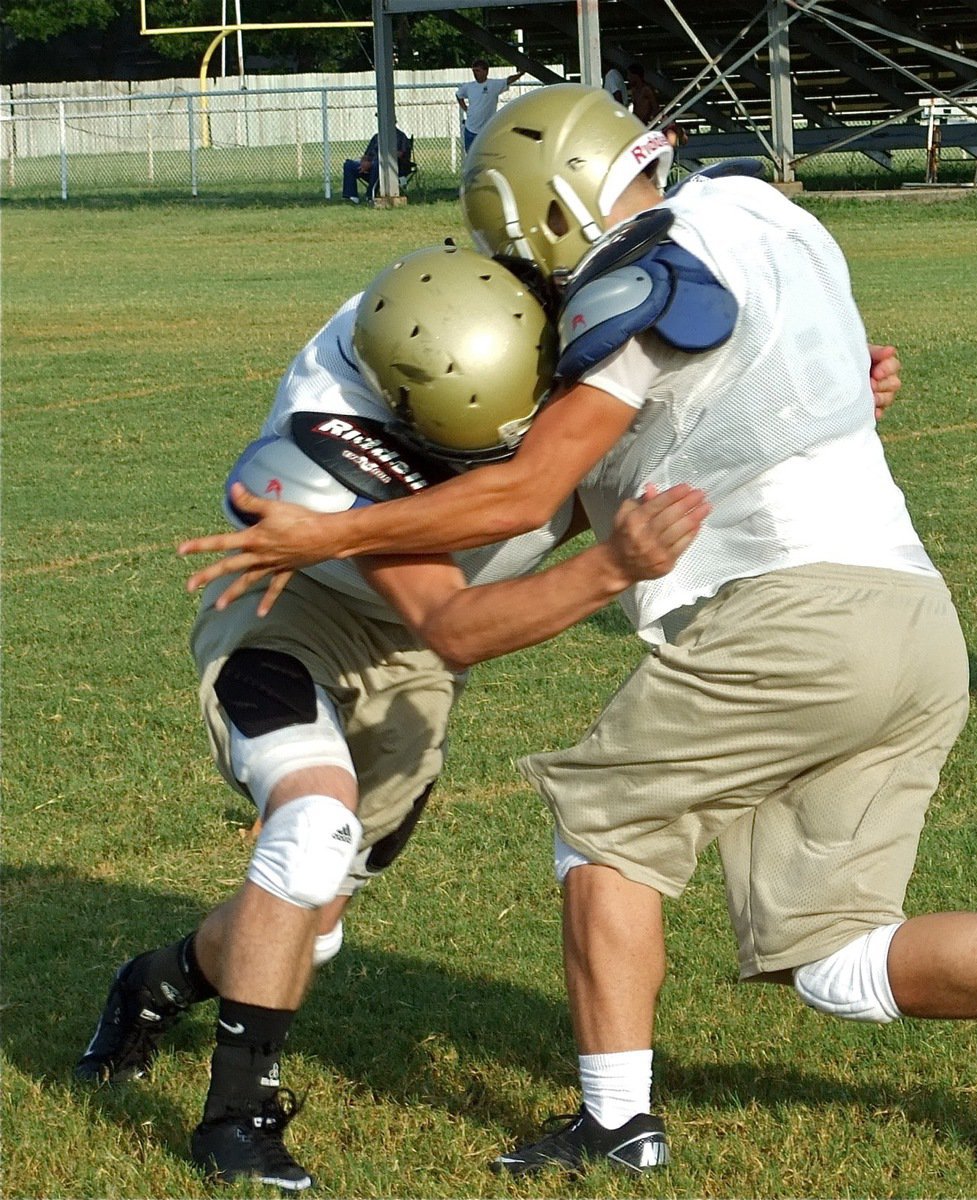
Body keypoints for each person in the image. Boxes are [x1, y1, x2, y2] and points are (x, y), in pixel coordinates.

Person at [177, 86, 977, 1179]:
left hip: (789, 619)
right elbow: (771, 382)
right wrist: (844, 395)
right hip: (917, 620)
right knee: (835, 955)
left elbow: (529, 493)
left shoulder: (639, 280)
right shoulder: (759, 209)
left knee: (602, 830)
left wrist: (339, 529)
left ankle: (617, 1125)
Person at [76, 243, 709, 1192]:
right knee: (310, 824)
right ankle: (235, 1124)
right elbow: (455, 626)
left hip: (409, 660)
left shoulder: (504, 325)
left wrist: (823, 394)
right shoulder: (325, 437)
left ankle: (157, 981)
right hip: (292, 615)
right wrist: (609, 567)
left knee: (313, 917)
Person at [456, 59, 523, 153]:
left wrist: (521, 73)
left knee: (488, 154)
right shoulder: (468, 87)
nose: (475, 74)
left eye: (478, 71)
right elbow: (459, 95)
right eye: (474, 71)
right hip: (471, 129)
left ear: (486, 71)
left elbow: (508, 80)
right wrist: (465, 108)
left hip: (487, 129)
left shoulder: (493, 85)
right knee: (471, 156)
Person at [341, 126, 411, 204]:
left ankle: (370, 195)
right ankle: (352, 197)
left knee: (378, 165)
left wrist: (373, 162)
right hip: (370, 165)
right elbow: (366, 154)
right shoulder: (376, 137)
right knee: (348, 165)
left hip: (390, 168)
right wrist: (363, 162)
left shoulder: (401, 136)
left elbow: (400, 154)